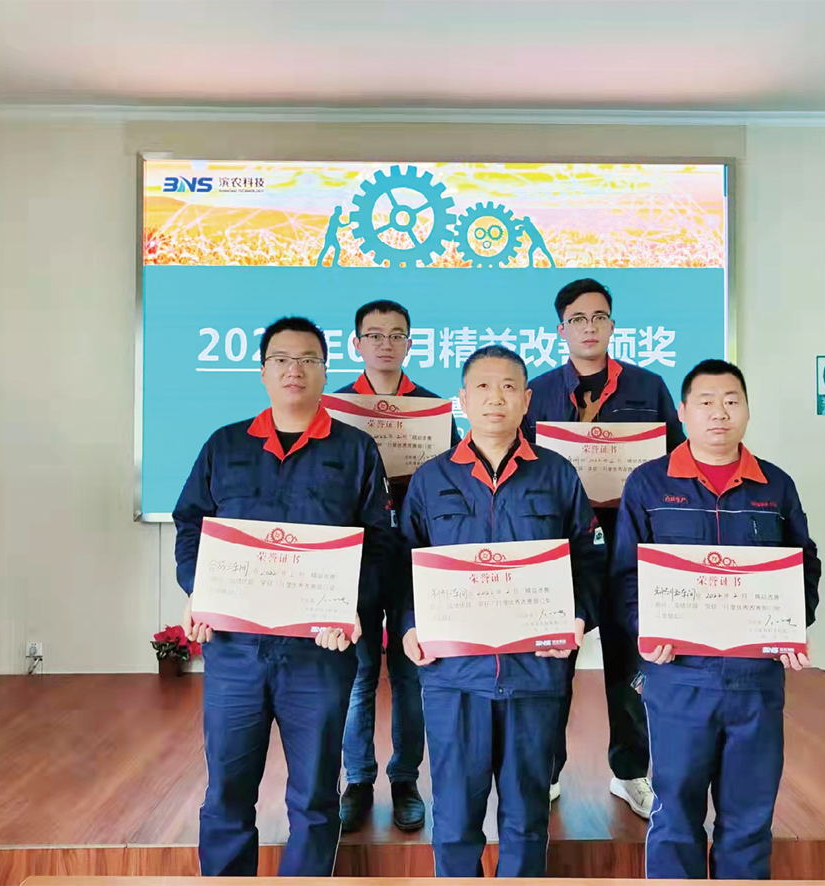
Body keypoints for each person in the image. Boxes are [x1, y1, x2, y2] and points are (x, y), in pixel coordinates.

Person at [173, 316, 397, 877]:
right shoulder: (225, 445)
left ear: (324, 370)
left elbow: (379, 543)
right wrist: (197, 589)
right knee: (227, 792)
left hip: (318, 653)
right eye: (281, 359)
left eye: (307, 360)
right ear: (263, 371)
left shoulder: (356, 450)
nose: (294, 370)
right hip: (236, 649)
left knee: (316, 798)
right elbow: (191, 524)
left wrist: (349, 608)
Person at [398, 345, 605, 877]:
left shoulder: (557, 475)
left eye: (510, 387)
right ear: (463, 399)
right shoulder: (431, 478)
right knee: (454, 818)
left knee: (527, 817)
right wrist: (409, 624)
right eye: (483, 387)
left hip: (535, 673)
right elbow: (404, 565)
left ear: (527, 400)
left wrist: (580, 616)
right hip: (452, 676)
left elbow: (588, 559)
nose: (496, 398)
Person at [612, 358, 821, 880]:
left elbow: (804, 563)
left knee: (750, 816)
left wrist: (793, 625)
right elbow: (626, 572)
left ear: (747, 409)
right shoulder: (649, 483)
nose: (719, 413)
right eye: (705, 402)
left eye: (731, 401)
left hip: (755, 678)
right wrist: (646, 630)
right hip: (678, 675)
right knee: (675, 814)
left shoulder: (775, 485)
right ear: (683, 412)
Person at [526, 277, 685, 817]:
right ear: (560, 330)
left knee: (629, 665)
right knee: (553, 664)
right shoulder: (539, 392)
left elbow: (674, 464)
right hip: (561, 549)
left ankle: (630, 771)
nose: (589, 327)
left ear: (613, 325)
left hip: (628, 545)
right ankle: (547, 772)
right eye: (578, 319)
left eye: (599, 317)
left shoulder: (648, 387)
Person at [335, 299, 457, 833]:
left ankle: (406, 778)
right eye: (374, 334)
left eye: (396, 334)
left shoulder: (433, 410)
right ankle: (358, 779)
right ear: (356, 343)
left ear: (410, 343)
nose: (385, 343)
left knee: (411, 674)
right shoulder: (335, 409)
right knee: (358, 674)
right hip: (355, 557)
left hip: (414, 557)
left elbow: (455, 476)